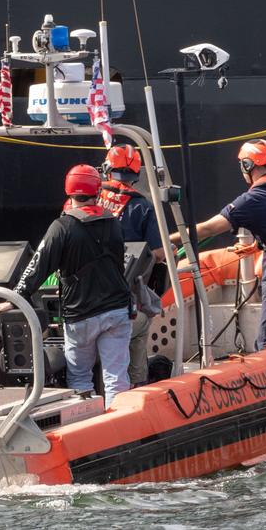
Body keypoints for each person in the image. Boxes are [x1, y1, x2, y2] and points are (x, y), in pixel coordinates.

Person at [0, 164, 132, 406]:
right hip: (117, 310)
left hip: (81, 314)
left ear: (69, 192)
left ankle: (86, 426)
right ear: (97, 190)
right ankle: (120, 424)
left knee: (80, 378)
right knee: (116, 379)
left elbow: (37, 267)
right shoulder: (113, 222)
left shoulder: (62, 227)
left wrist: (14, 299)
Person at [171, 139, 266, 348]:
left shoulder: (254, 199)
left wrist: (166, 238)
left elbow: (209, 228)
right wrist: (260, 246)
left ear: (247, 166)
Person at [99, 145, 165, 387]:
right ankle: (137, 384)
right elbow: (157, 253)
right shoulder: (143, 206)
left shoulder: (87, 201)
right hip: (119, 305)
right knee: (142, 322)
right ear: (136, 174)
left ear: (106, 169)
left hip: (77, 310)